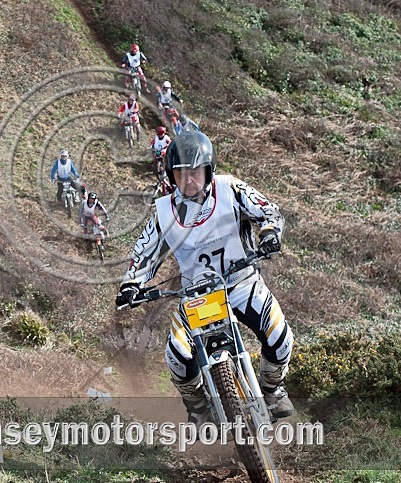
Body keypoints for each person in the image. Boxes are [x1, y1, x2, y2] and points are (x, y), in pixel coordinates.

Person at [114, 131, 294, 425]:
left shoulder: (231, 189)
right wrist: (131, 284)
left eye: (195, 173)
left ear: (208, 170)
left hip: (241, 284)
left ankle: (272, 391)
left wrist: (270, 232)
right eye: (181, 174)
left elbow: (266, 211)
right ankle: (198, 407)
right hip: (199, 298)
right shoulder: (164, 212)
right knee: (178, 356)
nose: (189, 182)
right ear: (172, 177)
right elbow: (145, 252)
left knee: (279, 337)